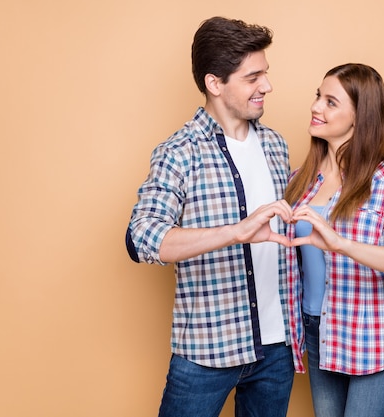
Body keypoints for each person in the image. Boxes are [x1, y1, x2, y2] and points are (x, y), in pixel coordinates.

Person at [125, 16, 296, 417]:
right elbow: (142, 239)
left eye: (265, 74)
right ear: (215, 83)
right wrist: (235, 232)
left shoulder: (276, 146)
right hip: (206, 349)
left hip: (276, 350)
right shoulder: (179, 152)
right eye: (253, 77)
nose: (267, 86)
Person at [284, 63, 384, 417]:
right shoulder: (299, 182)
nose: (316, 107)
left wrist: (342, 244)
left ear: (359, 116)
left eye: (331, 102)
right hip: (319, 331)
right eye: (317, 96)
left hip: (375, 337)